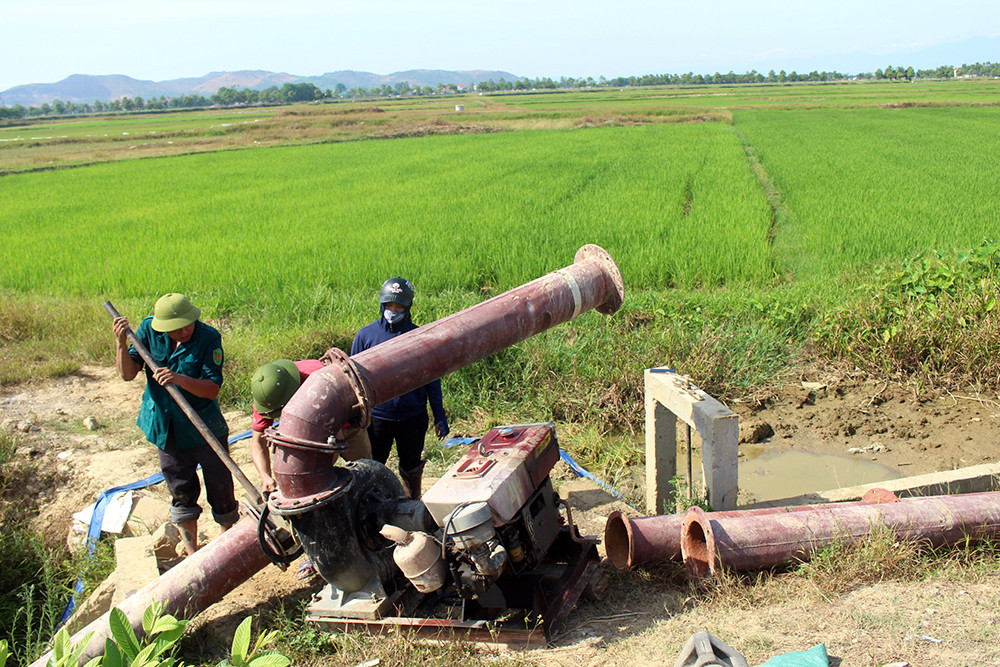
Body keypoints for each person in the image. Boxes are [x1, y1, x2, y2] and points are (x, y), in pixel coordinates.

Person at [112, 293, 239, 556]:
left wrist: (178, 378)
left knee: (220, 483)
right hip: (167, 426)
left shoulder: (208, 338)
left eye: (188, 324)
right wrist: (121, 343)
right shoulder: (148, 330)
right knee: (180, 487)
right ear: (162, 327)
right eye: (176, 328)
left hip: (204, 425)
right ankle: (192, 551)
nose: (184, 331)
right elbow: (127, 373)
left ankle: (226, 546)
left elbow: (212, 389)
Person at [351, 276, 449, 499]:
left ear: (408, 307)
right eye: (389, 306)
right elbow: (353, 382)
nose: (393, 311)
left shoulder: (419, 337)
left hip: (412, 418)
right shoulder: (366, 337)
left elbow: (432, 381)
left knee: (411, 467)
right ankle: (374, 511)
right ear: (381, 305)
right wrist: (355, 417)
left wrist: (439, 416)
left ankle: (412, 507)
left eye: (398, 307)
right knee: (373, 467)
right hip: (378, 419)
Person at [249, 357, 372, 495]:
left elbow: (336, 441)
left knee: (366, 471)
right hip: (307, 427)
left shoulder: (320, 379)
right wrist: (265, 476)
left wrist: (313, 481)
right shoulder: (267, 397)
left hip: (344, 422)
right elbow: (258, 441)